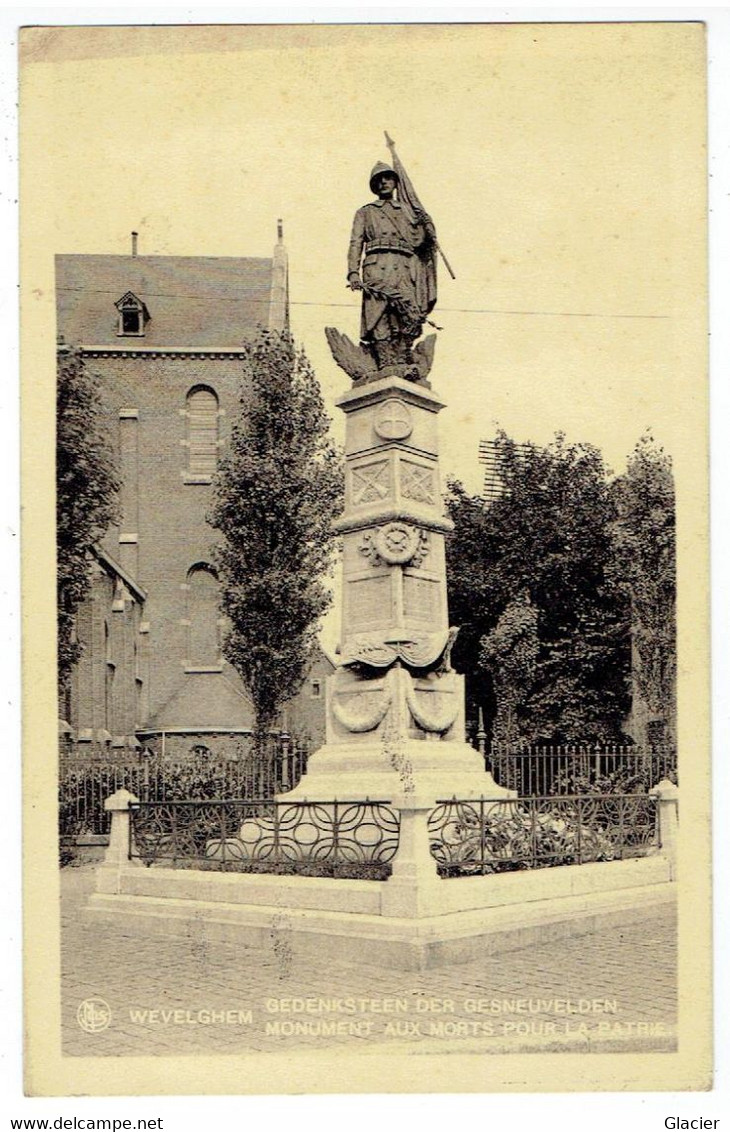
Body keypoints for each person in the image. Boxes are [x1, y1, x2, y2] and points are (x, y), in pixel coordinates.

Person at [347, 162, 437, 370]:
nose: (383, 182)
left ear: (396, 182)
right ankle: (386, 361)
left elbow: (419, 242)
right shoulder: (366, 212)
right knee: (378, 315)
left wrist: (427, 227)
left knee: (409, 314)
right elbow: (355, 242)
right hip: (376, 267)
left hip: (404, 268)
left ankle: (402, 356)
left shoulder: (409, 212)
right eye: (378, 180)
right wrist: (353, 272)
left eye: (387, 178)